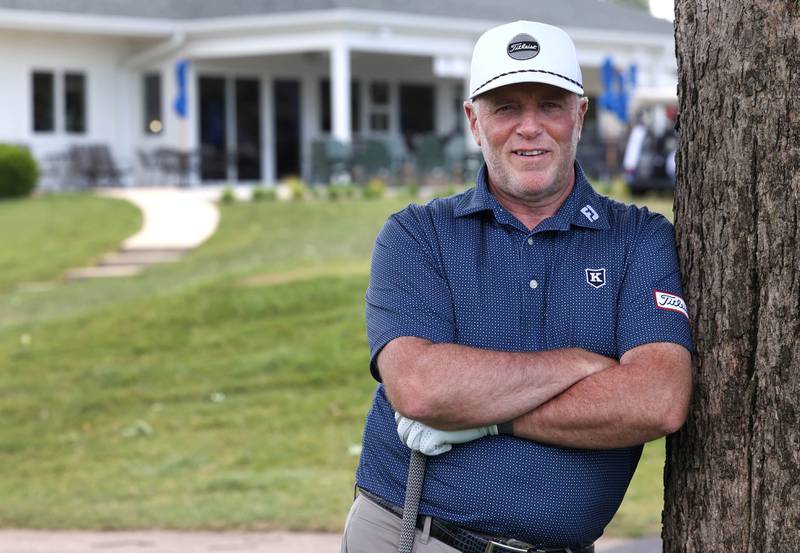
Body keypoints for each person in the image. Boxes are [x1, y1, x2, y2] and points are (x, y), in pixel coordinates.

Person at [341, 20, 693, 553]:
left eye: (550, 105)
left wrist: (483, 421)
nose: (529, 127)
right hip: (412, 536)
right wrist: (582, 365)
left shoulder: (639, 239)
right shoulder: (418, 235)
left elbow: (657, 398)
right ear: (474, 122)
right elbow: (419, 388)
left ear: (580, 115)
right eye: (506, 107)